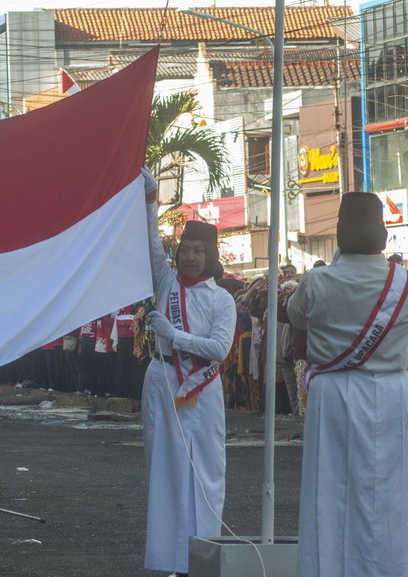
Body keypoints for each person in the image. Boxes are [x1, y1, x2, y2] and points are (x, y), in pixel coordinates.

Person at [288, 192, 408, 577]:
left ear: (339, 234)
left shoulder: (317, 281)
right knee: (397, 495)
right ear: (384, 235)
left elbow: (296, 318)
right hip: (394, 391)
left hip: (335, 392)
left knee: (331, 493)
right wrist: (394, 355)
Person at [141, 168, 236, 577]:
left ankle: (202, 557)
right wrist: (150, 201)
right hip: (162, 382)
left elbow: (219, 348)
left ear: (210, 255)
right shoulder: (164, 280)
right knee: (164, 470)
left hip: (203, 388)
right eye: (185, 248)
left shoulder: (222, 300)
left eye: (198, 250)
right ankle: (167, 560)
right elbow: (148, 246)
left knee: (206, 472)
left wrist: (174, 335)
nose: (190, 255)